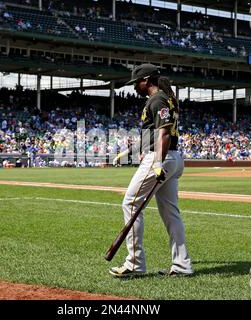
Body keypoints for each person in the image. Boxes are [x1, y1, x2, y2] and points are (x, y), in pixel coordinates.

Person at [110, 64, 193, 277]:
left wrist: (157, 164)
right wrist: (129, 150)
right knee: (171, 213)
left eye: (136, 82)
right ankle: (182, 266)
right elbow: (152, 133)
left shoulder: (157, 99)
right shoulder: (165, 98)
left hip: (160, 157)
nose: (134, 87)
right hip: (173, 158)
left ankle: (135, 264)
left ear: (146, 80)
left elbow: (163, 134)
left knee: (130, 202)